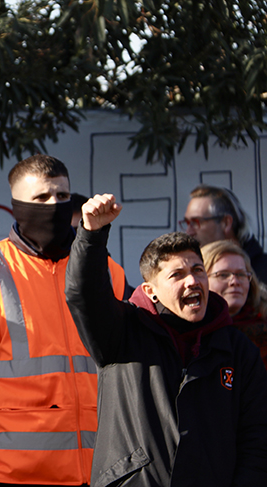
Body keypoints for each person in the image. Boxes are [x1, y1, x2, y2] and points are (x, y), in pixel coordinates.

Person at [0, 154, 128, 487]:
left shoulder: (108, 271)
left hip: (107, 471)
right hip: (16, 475)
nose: (54, 205)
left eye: (62, 196)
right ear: (16, 207)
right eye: (41, 198)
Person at [65, 194, 267, 486]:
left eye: (198, 270)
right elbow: (83, 293)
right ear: (150, 291)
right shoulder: (122, 331)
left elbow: (256, 438)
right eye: (177, 274)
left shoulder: (237, 349)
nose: (192, 281)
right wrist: (91, 235)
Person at [202, 239, 267, 369]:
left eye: (241, 274)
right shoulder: (192, 335)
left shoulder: (263, 328)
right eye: (223, 275)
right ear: (201, 280)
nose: (235, 281)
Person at [181, 184, 267, 281]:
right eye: (187, 223)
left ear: (226, 223)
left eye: (196, 222)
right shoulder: (190, 275)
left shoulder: (263, 272)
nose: (188, 232)